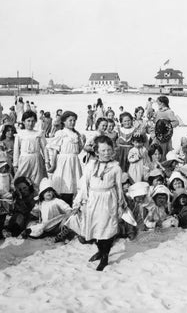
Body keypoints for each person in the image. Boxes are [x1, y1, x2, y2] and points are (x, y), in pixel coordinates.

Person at [73, 135, 126, 271]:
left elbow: (119, 187)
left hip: (108, 199)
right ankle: (100, 251)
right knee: (95, 228)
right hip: (93, 199)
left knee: (106, 229)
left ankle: (105, 257)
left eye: (109, 150)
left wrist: (121, 203)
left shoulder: (115, 168)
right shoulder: (90, 166)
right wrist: (78, 202)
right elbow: (84, 184)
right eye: (103, 151)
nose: (106, 153)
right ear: (96, 152)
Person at [49, 111, 84, 206]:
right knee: (65, 184)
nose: (72, 122)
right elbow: (55, 150)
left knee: (74, 184)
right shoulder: (61, 133)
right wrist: (53, 164)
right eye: (70, 120)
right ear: (64, 121)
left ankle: (72, 205)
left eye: (74, 120)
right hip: (64, 162)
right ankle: (63, 205)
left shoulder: (76, 134)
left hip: (74, 161)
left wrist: (82, 142)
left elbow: (78, 150)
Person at [13, 110, 47, 191]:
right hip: (24, 159)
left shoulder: (39, 133)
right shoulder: (20, 134)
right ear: (23, 122)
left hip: (36, 158)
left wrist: (47, 161)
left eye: (33, 121)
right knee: (21, 178)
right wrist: (15, 164)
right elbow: (16, 150)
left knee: (37, 179)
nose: (30, 123)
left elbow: (44, 148)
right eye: (28, 121)